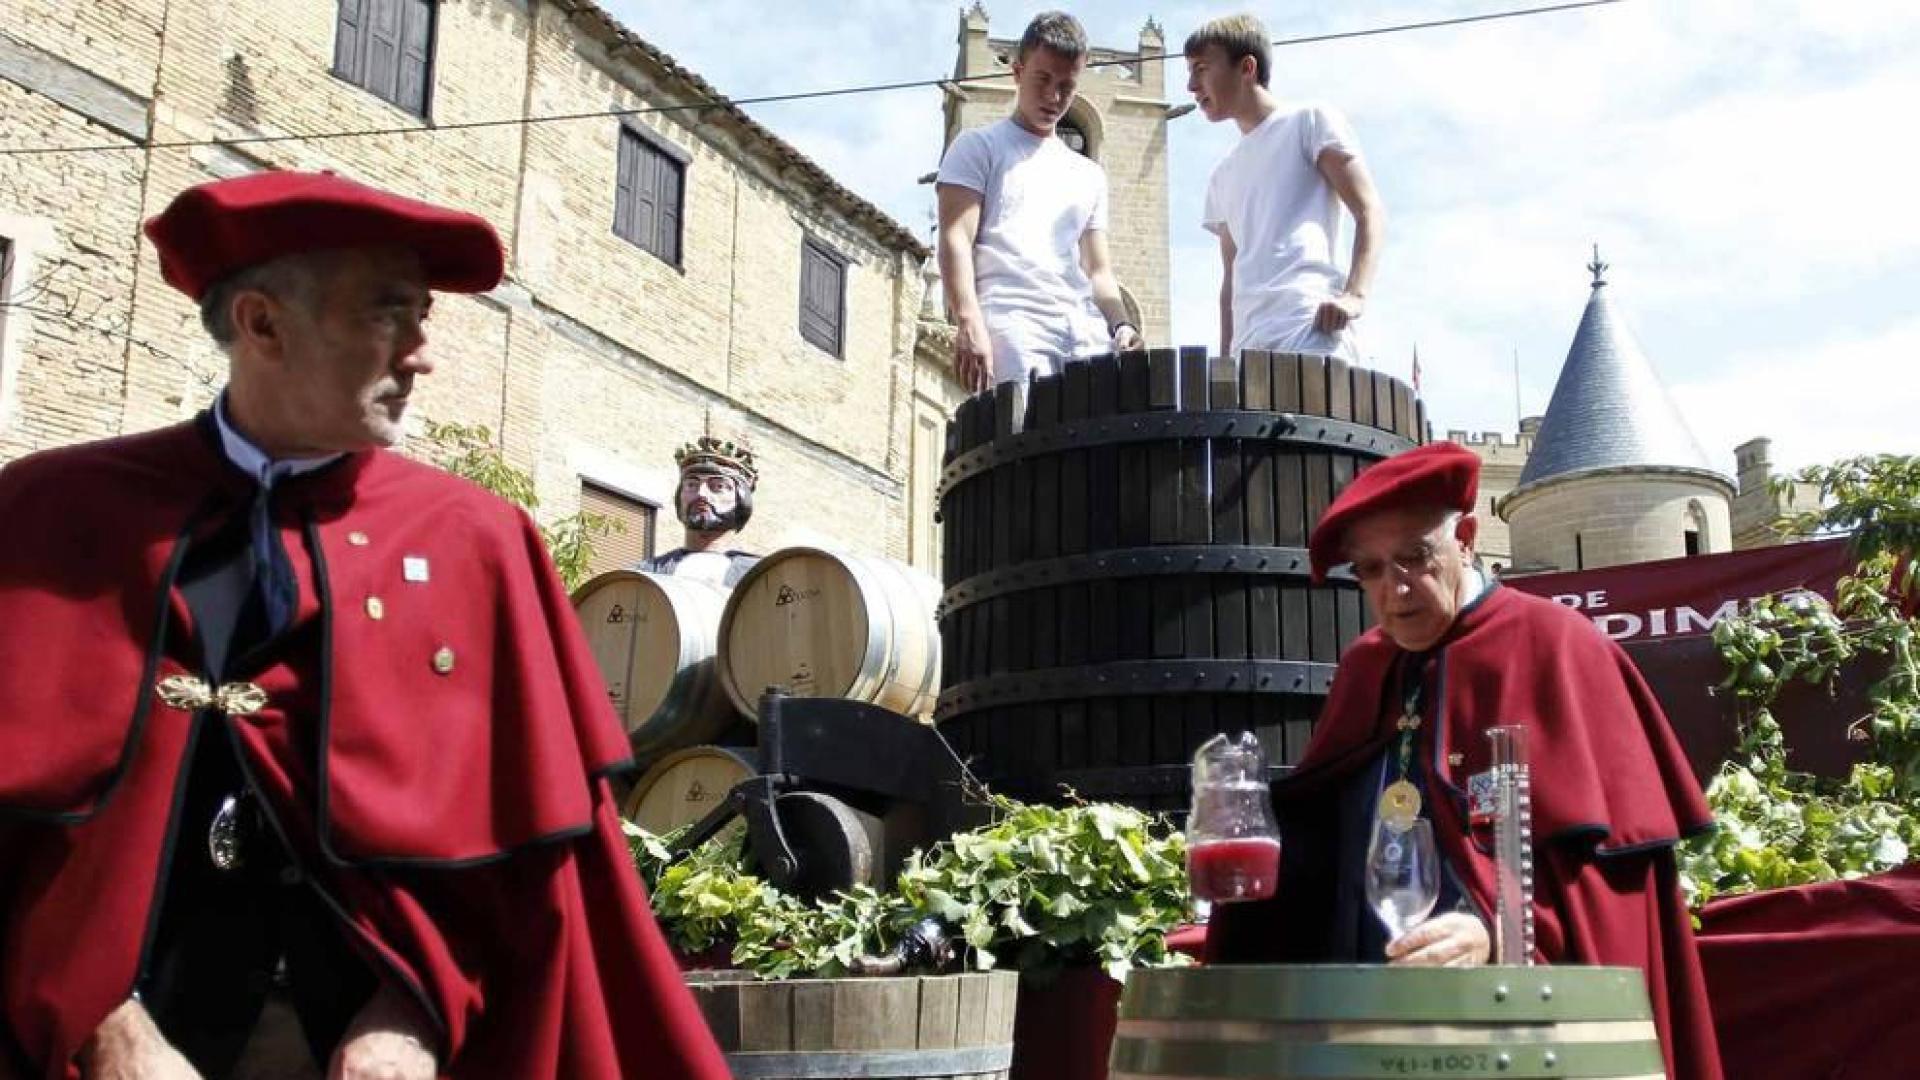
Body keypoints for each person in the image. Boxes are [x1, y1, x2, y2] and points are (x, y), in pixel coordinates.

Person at [0, 171, 729, 1080]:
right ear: (262, 324)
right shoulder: (48, 519)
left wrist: (413, 1012)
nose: (423, 354)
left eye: (425, 316)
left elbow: (534, 868)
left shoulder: (481, 545)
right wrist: (103, 1028)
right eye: (392, 314)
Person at [1206, 442, 1724, 1080]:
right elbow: (1325, 838)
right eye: (1369, 570)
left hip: (1515, 1027)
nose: (1395, 592)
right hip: (1367, 1014)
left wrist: (1504, 936)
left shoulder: (1559, 647)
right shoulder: (1365, 668)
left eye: (1416, 558)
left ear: (1469, 539)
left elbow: (1611, 884)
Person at [936, 10, 1144, 392]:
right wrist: (968, 321)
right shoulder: (978, 147)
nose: (1054, 96)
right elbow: (955, 240)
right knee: (1021, 443)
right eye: (1043, 79)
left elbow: (1098, 270)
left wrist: (1122, 324)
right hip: (1013, 327)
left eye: (1066, 85)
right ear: (1017, 72)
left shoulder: (1088, 175)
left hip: (1085, 336)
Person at [1184, 14, 1385, 361]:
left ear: (1247, 67)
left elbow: (1370, 211)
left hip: (1310, 331)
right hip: (1250, 351)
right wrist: (1226, 361)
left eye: (1201, 68)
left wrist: (1355, 296)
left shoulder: (1310, 121)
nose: (1191, 86)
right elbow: (1230, 277)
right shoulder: (1222, 175)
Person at [638, 436, 761, 587]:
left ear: (740, 499)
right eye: (691, 485)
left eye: (718, 486)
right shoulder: (644, 575)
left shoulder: (762, 575)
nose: (701, 493)